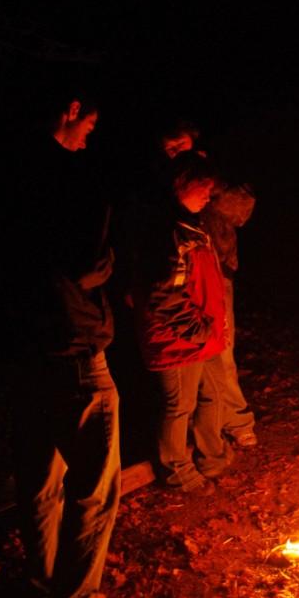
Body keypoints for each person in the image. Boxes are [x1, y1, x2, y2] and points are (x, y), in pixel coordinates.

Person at [8, 93, 139, 598]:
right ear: (70, 109)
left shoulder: (5, 169)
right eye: (89, 123)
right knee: (92, 487)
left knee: (40, 482)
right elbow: (86, 264)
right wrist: (110, 260)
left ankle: (43, 583)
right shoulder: (70, 182)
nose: (90, 135)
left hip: (22, 351)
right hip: (75, 351)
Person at [132, 152, 232, 493]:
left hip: (199, 334)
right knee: (179, 406)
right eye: (203, 189)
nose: (209, 196)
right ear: (182, 186)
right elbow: (163, 295)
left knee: (212, 395)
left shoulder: (189, 224)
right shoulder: (166, 232)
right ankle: (177, 471)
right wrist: (197, 329)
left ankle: (213, 457)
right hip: (177, 338)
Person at [160, 122, 257, 448]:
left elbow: (242, 210)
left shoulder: (214, 177)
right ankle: (199, 435)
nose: (175, 153)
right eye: (169, 148)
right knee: (189, 356)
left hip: (218, 274)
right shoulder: (164, 182)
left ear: (195, 142)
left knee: (221, 350)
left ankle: (236, 421)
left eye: (180, 145)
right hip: (181, 279)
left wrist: (207, 183)